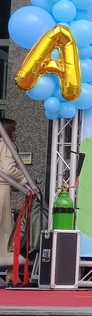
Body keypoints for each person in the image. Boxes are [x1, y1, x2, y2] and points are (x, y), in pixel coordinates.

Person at [0, 118, 27, 279]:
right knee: (5, 232)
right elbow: (8, 169)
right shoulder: (5, 144)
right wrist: (24, 179)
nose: (16, 133)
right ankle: (11, 272)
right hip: (2, 190)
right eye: (14, 129)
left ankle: (11, 272)